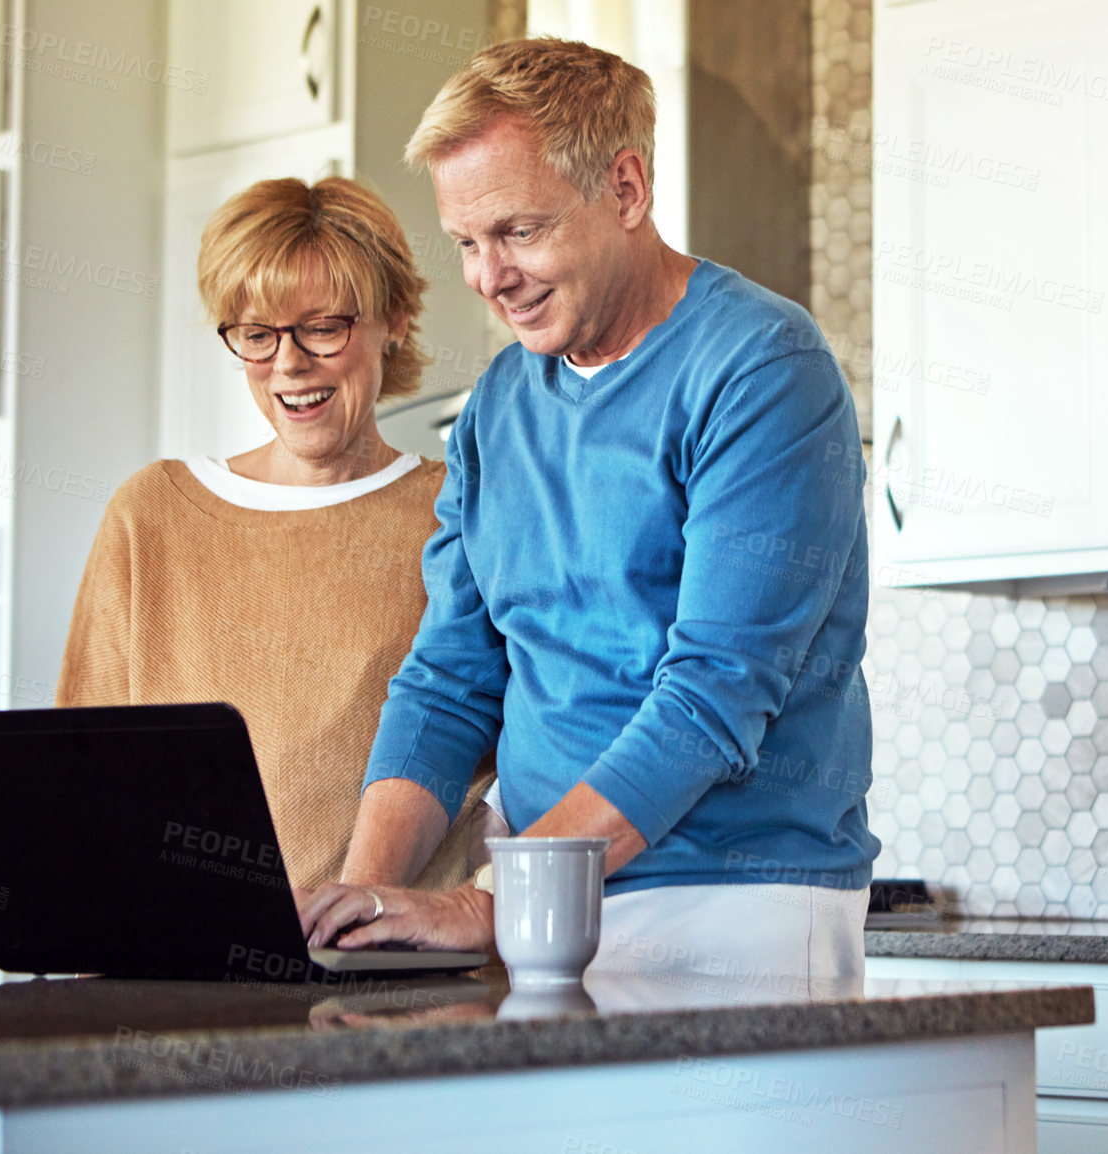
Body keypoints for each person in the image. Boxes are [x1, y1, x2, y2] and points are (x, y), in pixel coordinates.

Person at [300, 38, 879, 989]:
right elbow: (449, 679)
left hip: (735, 910)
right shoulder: (497, 404)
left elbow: (713, 697)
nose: (488, 277)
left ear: (625, 190)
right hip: (543, 906)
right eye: (466, 243)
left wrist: (495, 904)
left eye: (518, 230)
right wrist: (353, 913)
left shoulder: (763, 369)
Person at [57, 176, 494, 891]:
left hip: (403, 982)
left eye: (323, 327)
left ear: (396, 319)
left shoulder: (462, 511)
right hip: (178, 980)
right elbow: (80, 786)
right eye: (258, 334)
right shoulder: (150, 515)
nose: (289, 363)